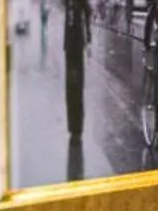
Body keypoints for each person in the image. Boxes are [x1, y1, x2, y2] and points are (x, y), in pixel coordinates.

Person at [62, 0, 92, 145]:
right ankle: (72, 127)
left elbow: (88, 12)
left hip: (78, 46)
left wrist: (89, 40)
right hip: (68, 46)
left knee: (77, 86)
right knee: (69, 88)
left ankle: (78, 128)